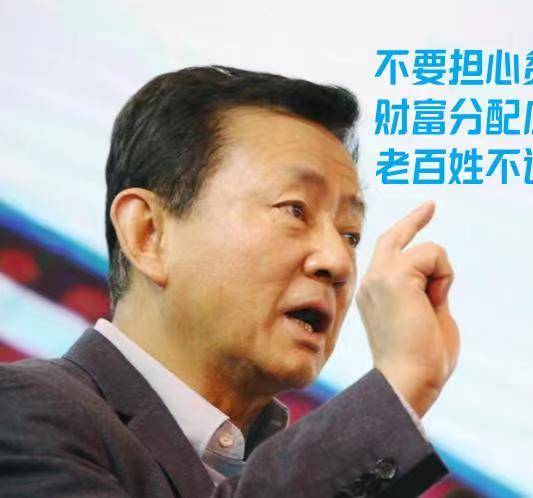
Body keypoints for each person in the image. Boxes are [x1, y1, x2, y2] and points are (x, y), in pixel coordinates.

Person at [0, 66, 460, 497]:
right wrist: (398, 387)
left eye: (350, 235)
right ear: (149, 233)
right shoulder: (20, 412)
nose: (338, 262)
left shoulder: (272, 468)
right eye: (295, 209)